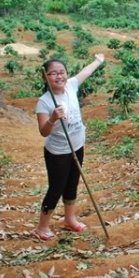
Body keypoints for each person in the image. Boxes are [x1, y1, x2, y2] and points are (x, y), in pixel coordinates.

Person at [33, 54, 105, 241]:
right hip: (58, 152)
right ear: (45, 77)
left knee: (72, 184)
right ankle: (42, 227)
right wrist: (53, 119)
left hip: (77, 145)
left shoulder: (71, 86)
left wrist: (97, 60)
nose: (59, 76)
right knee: (56, 188)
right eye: (53, 73)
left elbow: (85, 72)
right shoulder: (45, 102)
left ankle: (69, 219)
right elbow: (44, 132)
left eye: (62, 72)